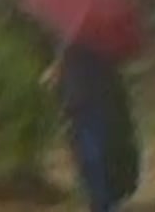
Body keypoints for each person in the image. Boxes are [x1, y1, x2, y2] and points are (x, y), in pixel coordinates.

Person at [43, 43, 140, 212]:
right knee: (96, 154)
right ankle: (103, 200)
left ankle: (102, 201)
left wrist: (57, 72)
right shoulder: (98, 43)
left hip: (86, 104)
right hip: (95, 103)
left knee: (92, 155)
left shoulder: (74, 44)